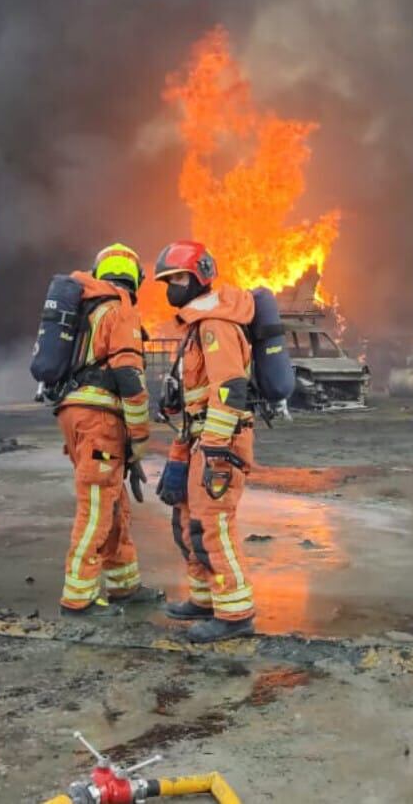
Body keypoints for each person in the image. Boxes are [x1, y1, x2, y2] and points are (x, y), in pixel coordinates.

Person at [152, 240, 258, 641]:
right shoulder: (198, 323)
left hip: (221, 445)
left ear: (200, 275)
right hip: (199, 439)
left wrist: (214, 446)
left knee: (213, 524)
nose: (170, 288)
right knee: (188, 520)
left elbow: (230, 387)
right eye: (167, 280)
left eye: (177, 278)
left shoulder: (216, 325)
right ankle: (204, 598)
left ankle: (235, 614)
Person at [55, 243, 153, 616]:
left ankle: (124, 586)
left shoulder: (86, 313)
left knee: (112, 501)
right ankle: (77, 598)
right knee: (96, 508)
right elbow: (128, 375)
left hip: (80, 413)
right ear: (134, 278)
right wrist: (141, 434)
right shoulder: (119, 309)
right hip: (99, 418)